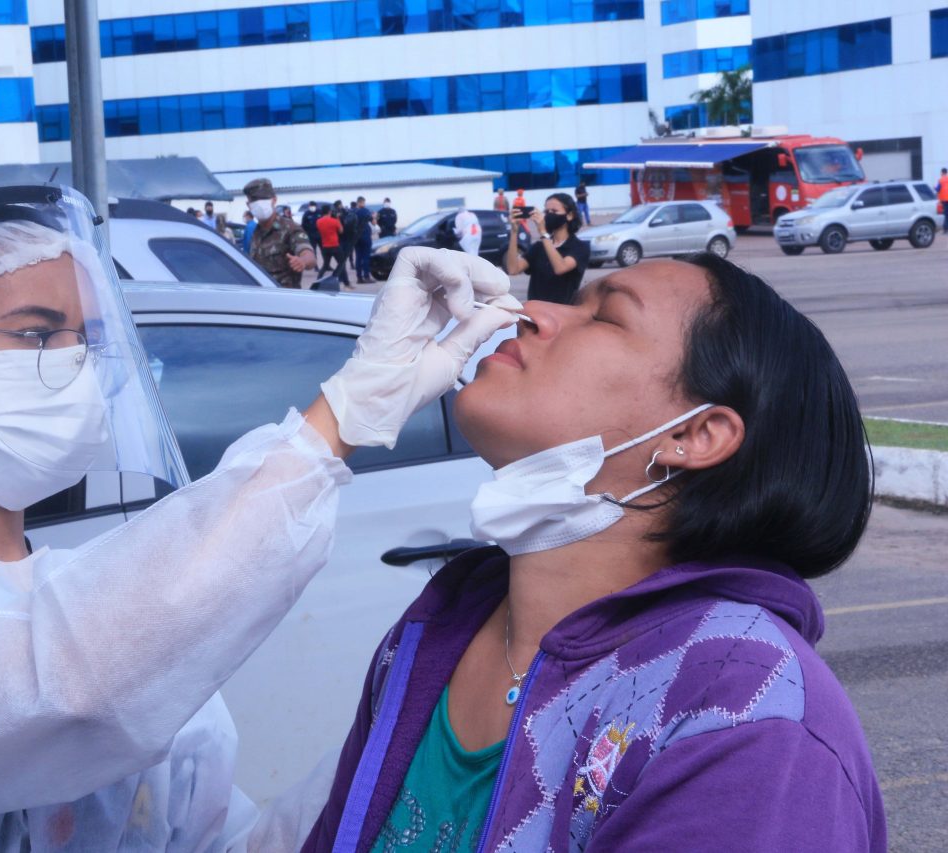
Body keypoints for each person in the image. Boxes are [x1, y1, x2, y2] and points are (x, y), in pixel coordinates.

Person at [0, 183, 523, 851]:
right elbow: (55, 691)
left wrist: (421, 749)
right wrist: (341, 417)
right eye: (35, 333)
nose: (77, 366)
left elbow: (220, 835)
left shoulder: (68, 587)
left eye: (86, 339)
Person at [303, 254, 885, 852]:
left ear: (692, 435)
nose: (531, 312)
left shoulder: (744, 710)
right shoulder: (438, 628)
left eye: (605, 316)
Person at [505, 192, 590, 305]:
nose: (549, 215)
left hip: (563, 315)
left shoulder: (580, 247)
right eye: (546, 211)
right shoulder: (539, 247)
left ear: (570, 215)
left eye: (554, 211)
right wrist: (514, 231)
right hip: (536, 314)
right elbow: (513, 269)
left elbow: (560, 268)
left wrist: (542, 232)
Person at [244, 177, 316, 289]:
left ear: (274, 200)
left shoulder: (290, 228)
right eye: (254, 201)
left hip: (285, 300)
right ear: (248, 205)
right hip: (261, 299)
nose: (259, 204)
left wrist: (302, 261)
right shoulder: (256, 232)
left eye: (263, 199)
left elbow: (309, 256)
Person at [316, 204, 343, 277]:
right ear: (329, 212)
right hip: (335, 245)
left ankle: (318, 279)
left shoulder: (318, 221)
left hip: (325, 246)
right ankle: (336, 276)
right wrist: (337, 219)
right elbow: (341, 231)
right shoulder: (334, 221)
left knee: (325, 265)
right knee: (341, 263)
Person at [337, 201, 359, 287]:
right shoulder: (343, 215)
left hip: (345, 239)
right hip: (342, 240)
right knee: (342, 260)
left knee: (343, 260)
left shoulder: (348, 214)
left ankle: (342, 278)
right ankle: (343, 279)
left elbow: (349, 226)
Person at [354, 196, 375, 283]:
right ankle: (366, 276)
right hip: (365, 236)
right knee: (366, 257)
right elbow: (373, 223)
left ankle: (359, 277)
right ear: (362, 202)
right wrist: (374, 217)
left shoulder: (353, 211)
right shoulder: (366, 211)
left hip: (356, 237)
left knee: (358, 257)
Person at [301, 201, 322, 268]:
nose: (312, 207)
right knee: (313, 251)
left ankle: (327, 265)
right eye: (311, 206)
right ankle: (316, 266)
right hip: (311, 235)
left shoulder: (319, 212)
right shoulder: (306, 214)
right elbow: (304, 224)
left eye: (313, 206)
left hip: (320, 234)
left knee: (324, 250)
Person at [936, 167, 948, 233]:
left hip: (944, 199)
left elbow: (937, 189)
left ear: (942, 172)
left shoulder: (940, 180)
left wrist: (934, 187)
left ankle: (945, 229)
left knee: (946, 214)